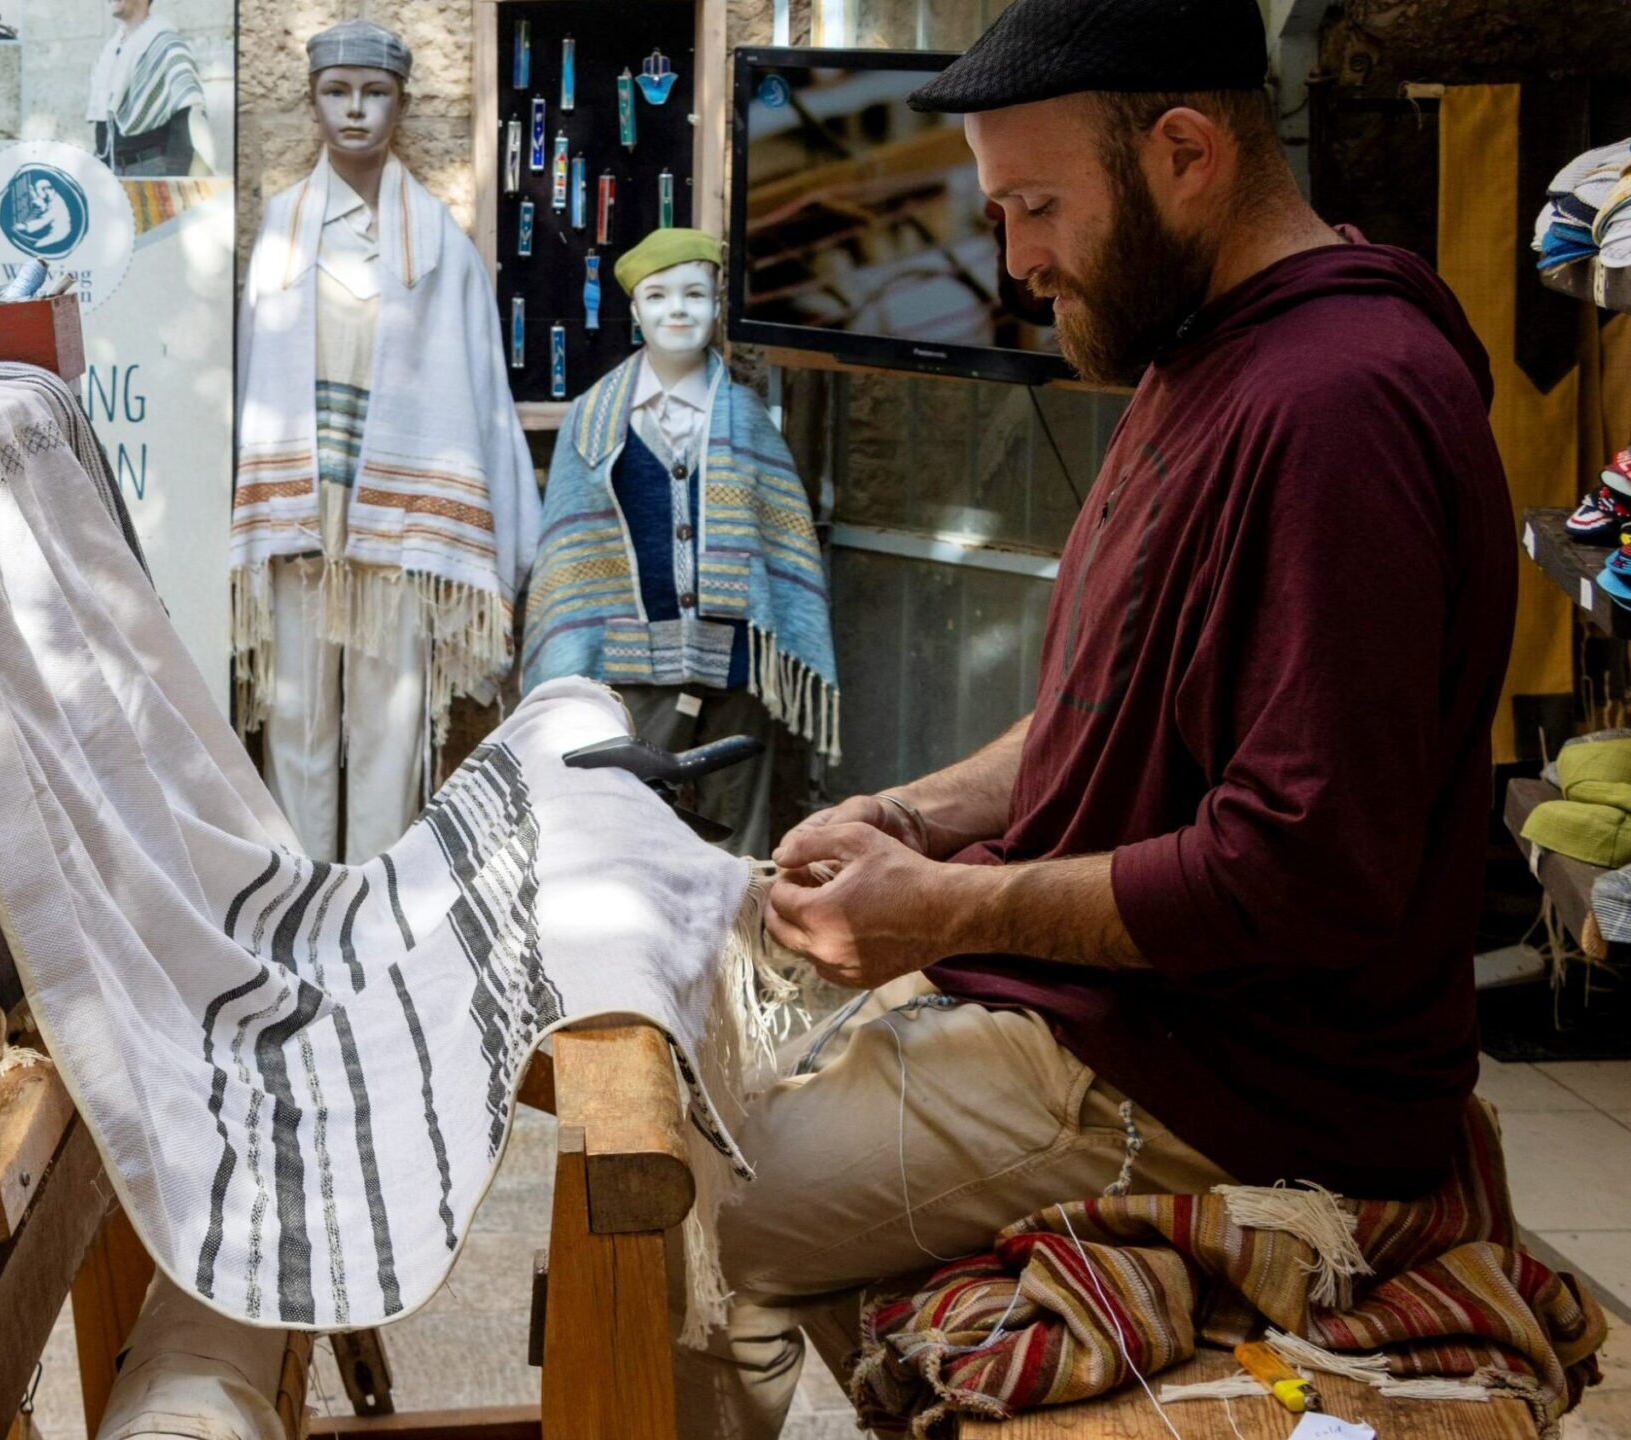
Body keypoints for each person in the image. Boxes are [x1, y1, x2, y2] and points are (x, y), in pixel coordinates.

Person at [678, 0, 1515, 1427]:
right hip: (1130, 1021)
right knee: (673, 1080)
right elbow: (1112, 695)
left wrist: (940, 915)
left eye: (1037, 206)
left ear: (1186, 152)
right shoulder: (1207, 347)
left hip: (1229, 1088)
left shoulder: (1336, 407)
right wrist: (918, 815)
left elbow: (1299, 875)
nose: (1019, 263)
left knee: (683, 1216)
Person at [230, 20, 539, 864]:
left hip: (402, 519)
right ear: (313, 101)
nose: (356, 111)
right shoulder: (284, 231)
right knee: (294, 718)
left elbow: (479, 394)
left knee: (391, 724)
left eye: (375, 93)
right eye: (338, 92)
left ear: (400, 105)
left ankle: (374, 916)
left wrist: (507, 545)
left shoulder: (438, 241)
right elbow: (252, 376)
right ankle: (299, 904)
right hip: (303, 510)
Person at [519, 229, 838, 858]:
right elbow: (571, 560)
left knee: (734, 841)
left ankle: (733, 954)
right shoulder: (594, 418)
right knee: (621, 831)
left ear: (719, 306)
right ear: (635, 312)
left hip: (735, 673)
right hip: (629, 675)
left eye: (696, 293)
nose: (679, 310)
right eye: (658, 295)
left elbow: (785, 548)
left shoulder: (746, 419)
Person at [86, 0, 213, 176]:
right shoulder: (111, 51)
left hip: (152, 170)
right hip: (113, 174)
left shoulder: (167, 46)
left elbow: (185, 125)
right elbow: (104, 127)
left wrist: (173, 185)